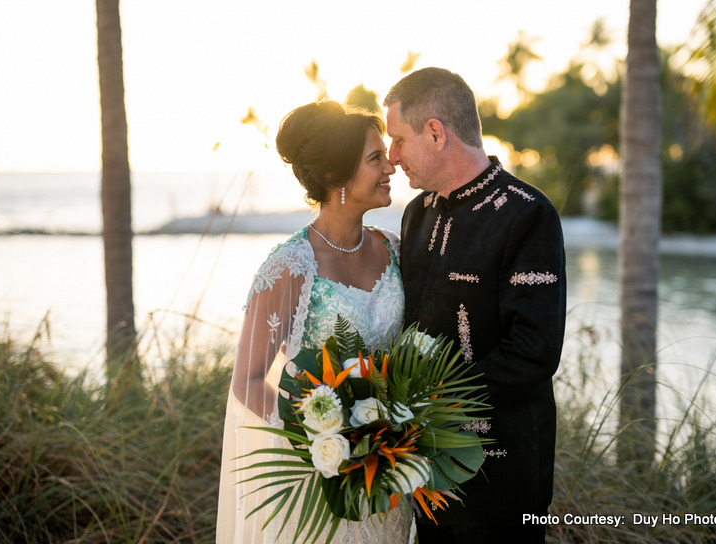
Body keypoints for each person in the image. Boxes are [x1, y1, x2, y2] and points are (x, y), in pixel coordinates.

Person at [384, 67, 567, 543]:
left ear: (435, 132)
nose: (392, 156)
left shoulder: (528, 214)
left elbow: (534, 351)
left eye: (399, 139)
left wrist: (430, 401)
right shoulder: (416, 214)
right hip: (423, 470)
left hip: (502, 474)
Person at [216, 100, 412, 543]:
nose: (391, 168)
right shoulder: (290, 267)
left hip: (388, 469)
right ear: (333, 176)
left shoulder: (396, 250)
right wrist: (320, 437)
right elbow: (247, 379)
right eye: (375, 159)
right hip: (319, 475)